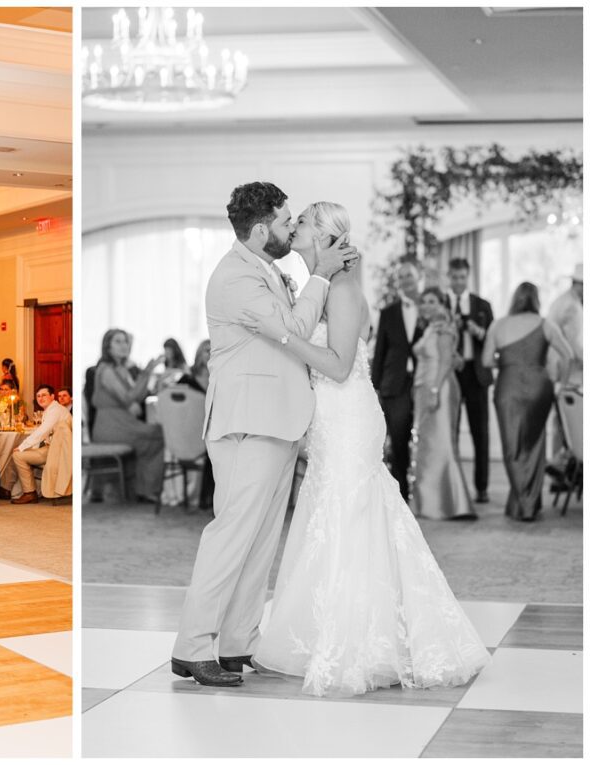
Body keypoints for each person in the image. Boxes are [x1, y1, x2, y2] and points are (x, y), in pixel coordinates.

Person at [238, 198, 488, 697]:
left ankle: (360, 644)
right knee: (324, 518)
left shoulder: (345, 291)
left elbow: (336, 365)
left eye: (302, 222)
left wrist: (280, 336)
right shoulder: (321, 286)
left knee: (349, 518)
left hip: (350, 416)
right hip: (329, 420)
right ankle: (316, 635)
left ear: (324, 235)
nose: (294, 227)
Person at [170, 185, 357, 687]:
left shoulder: (267, 269)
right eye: (284, 221)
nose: (290, 228)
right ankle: (192, 647)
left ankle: (236, 643)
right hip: (247, 422)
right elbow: (294, 327)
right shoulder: (234, 278)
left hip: (277, 419)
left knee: (259, 540)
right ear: (260, 230)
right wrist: (320, 274)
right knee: (231, 534)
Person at [483, 282, 573, 522]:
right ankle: (526, 501)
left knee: (512, 446)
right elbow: (568, 356)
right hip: (539, 389)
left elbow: (486, 361)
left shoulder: (498, 325)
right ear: (536, 299)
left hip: (508, 388)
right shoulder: (546, 324)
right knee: (534, 444)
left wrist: (507, 361)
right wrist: (561, 385)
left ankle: (524, 503)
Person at [411, 287, 476, 520]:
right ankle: (430, 502)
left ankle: (451, 503)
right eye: (424, 302)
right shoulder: (431, 328)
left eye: (432, 302)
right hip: (425, 388)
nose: (427, 306)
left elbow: (446, 361)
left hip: (440, 388)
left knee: (442, 444)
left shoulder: (443, 328)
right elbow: (453, 359)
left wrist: (435, 390)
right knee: (429, 446)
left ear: (442, 304)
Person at [90, 329, 166, 503]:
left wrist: (148, 373)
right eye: (118, 341)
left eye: (125, 341)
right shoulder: (106, 370)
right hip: (111, 425)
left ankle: (142, 488)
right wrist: (148, 371)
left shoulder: (121, 369)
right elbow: (128, 398)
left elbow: (137, 397)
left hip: (123, 422)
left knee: (158, 433)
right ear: (107, 346)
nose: (124, 345)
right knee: (159, 434)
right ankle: (145, 489)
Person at [372, 261, 425, 500]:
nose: (405, 280)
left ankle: (429, 491)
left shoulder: (432, 306)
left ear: (418, 278)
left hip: (425, 380)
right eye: (401, 277)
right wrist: (375, 387)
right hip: (396, 384)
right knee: (399, 438)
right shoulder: (388, 313)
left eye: (409, 276)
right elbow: (380, 352)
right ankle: (401, 492)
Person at [446, 258, 494, 503]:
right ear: (448, 277)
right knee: (449, 432)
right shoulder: (441, 304)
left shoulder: (483, 306)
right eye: (454, 277)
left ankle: (482, 488)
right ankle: (455, 489)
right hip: (450, 375)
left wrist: (480, 332)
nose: (458, 282)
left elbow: (493, 342)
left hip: (475, 374)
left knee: (480, 433)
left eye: (462, 277)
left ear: (468, 277)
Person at [546, 264, 583, 473]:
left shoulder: (563, 301)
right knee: (569, 421)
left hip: (558, 370)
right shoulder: (572, 307)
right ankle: (564, 465)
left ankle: (561, 464)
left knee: (561, 419)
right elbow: (576, 346)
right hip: (567, 372)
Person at [10, 384, 71, 504]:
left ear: (52, 396)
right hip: (54, 448)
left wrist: (23, 446)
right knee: (21, 452)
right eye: (38, 396)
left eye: (44, 395)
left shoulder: (55, 411)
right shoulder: (52, 409)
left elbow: (42, 432)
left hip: (58, 452)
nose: (40, 398)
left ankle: (30, 493)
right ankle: (19, 490)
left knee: (17, 455)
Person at [177, 340, 214, 509]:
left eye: (214, 349)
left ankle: (211, 499)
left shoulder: (219, 378)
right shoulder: (186, 379)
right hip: (190, 431)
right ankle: (206, 499)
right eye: (207, 350)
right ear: (199, 353)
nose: (211, 353)